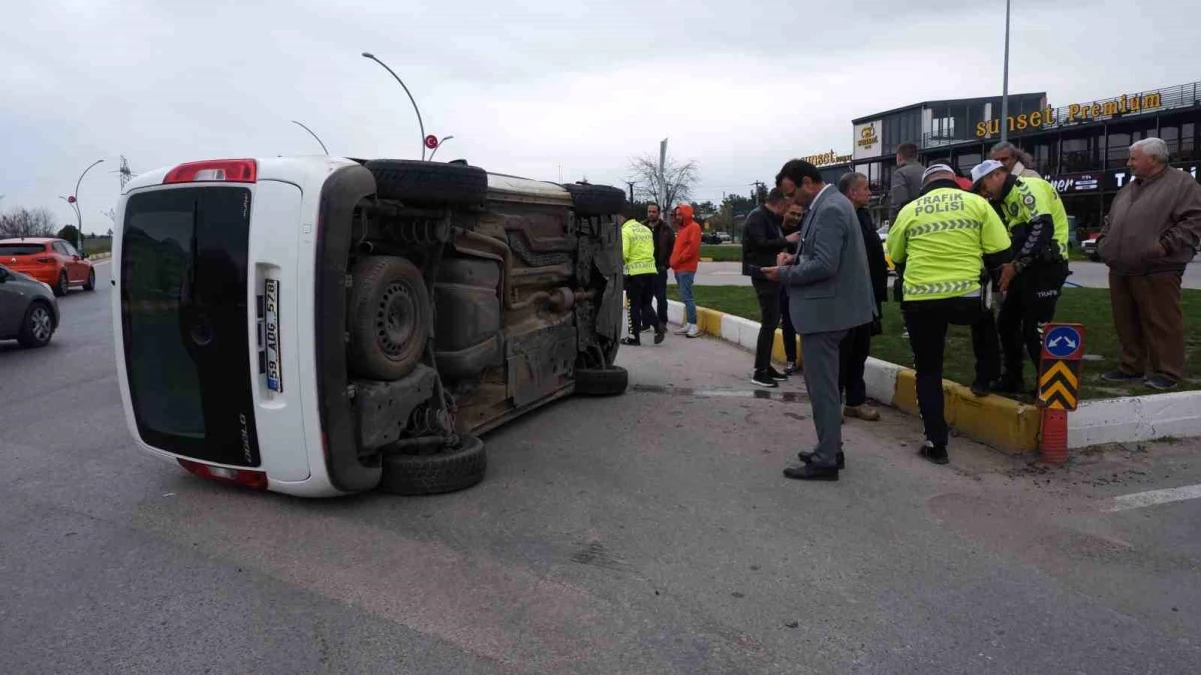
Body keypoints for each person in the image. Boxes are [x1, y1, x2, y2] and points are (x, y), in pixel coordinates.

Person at [886, 165, 1011, 465]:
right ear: (954, 182)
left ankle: (935, 443)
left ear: (925, 185)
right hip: (965, 297)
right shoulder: (977, 203)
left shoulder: (910, 210)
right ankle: (985, 377)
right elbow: (1001, 249)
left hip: (921, 300)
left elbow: (896, 254)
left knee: (928, 370)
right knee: (984, 322)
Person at [763, 159, 876, 482]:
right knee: (824, 386)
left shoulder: (829, 209)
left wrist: (783, 273)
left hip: (827, 314)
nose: (792, 200)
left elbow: (825, 265)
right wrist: (793, 255)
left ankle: (827, 459)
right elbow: (819, 252)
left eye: (792, 192)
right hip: (834, 310)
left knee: (823, 388)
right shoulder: (828, 204)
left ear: (808, 182)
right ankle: (830, 447)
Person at [1096, 137, 1201, 390]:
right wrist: (1103, 242)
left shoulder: (1182, 184)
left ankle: (1167, 371)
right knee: (1126, 321)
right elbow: (1111, 220)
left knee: (1161, 321)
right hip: (1121, 266)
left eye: (1134, 157)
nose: (1128, 162)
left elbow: (1194, 220)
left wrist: (1163, 246)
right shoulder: (1129, 188)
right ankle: (1131, 367)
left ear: (1153, 159)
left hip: (1158, 267)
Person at [971, 159, 1071, 393]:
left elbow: (1041, 228)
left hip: (1048, 266)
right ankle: (1013, 379)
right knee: (1007, 323)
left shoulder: (1028, 187)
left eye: (983, 186)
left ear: (997, 175)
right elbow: (1012, 240)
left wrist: (1015, 264)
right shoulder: (1005, 201)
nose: (983, 193)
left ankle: (1048, 385)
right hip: (1027, 268)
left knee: (1035, 329)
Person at [837, 172, 889, 421]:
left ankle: (855, 401)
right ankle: (832, 405)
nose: (869, 192)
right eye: (865, 188)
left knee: (860, 350)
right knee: (842, 352)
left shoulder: (863, 214)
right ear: (851, 192)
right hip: (849, 296)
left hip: (868, 296)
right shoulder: (840, 216)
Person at [742, 188, 800, 387]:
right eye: (787, 204)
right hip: (763, 273)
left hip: (774, 273)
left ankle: (766, 366)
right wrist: (787, 240)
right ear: (780, 201)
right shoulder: (757, 217)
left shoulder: (771, 217)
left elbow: (773, 243)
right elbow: (760, 244)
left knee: (773, 320)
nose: (787, 209)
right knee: (769, 321)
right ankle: (760, 371)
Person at [620, 215, 665, 346]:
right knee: (645, 304)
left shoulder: (626, 230)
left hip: (634, 273)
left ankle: (633, 337)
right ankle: (657, 325)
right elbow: (652, 249)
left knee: (632, 305)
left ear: (622, 218)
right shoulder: (645, 229)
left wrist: (624, 265)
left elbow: (623, 253)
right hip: (650, 271)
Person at [669, 204, 702, 338]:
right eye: (676, 214)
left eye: (680, 214)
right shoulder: (682, 229)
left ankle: (694, 325)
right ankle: (689, 323)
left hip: (686, 268)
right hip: (679, 267)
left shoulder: (694, 227)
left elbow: (691, 249)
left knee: (687, 297)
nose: (678, 217)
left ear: (686, 214)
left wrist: (678, 260)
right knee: (684, 296)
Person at [779, 202, 805, 374]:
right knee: (787, 322)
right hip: (783, 283)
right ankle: (790, 359)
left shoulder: (805, 228)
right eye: (793, 213)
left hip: (803, 280)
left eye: (799, 215)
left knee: (806, 322)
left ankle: (809, 358)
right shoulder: (777, 230)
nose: (796, 218)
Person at [641, 203, 675, 332]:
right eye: (649, 211)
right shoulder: (641, 227)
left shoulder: (666, 229)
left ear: (658, 213)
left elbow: (672, 247)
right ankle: (646, 323)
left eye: (654, 211)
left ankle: (662, 322)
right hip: (644, 268)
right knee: (645, 298)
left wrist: (666, 264)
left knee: (661, 297)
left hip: (659, 268)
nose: (651, 214)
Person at [889, 142, 924, 223]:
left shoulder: (900, 174)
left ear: (899, 157)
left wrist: (892, 227)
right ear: (917, 156)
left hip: (910, 221)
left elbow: (897, 204)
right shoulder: (927, 172)